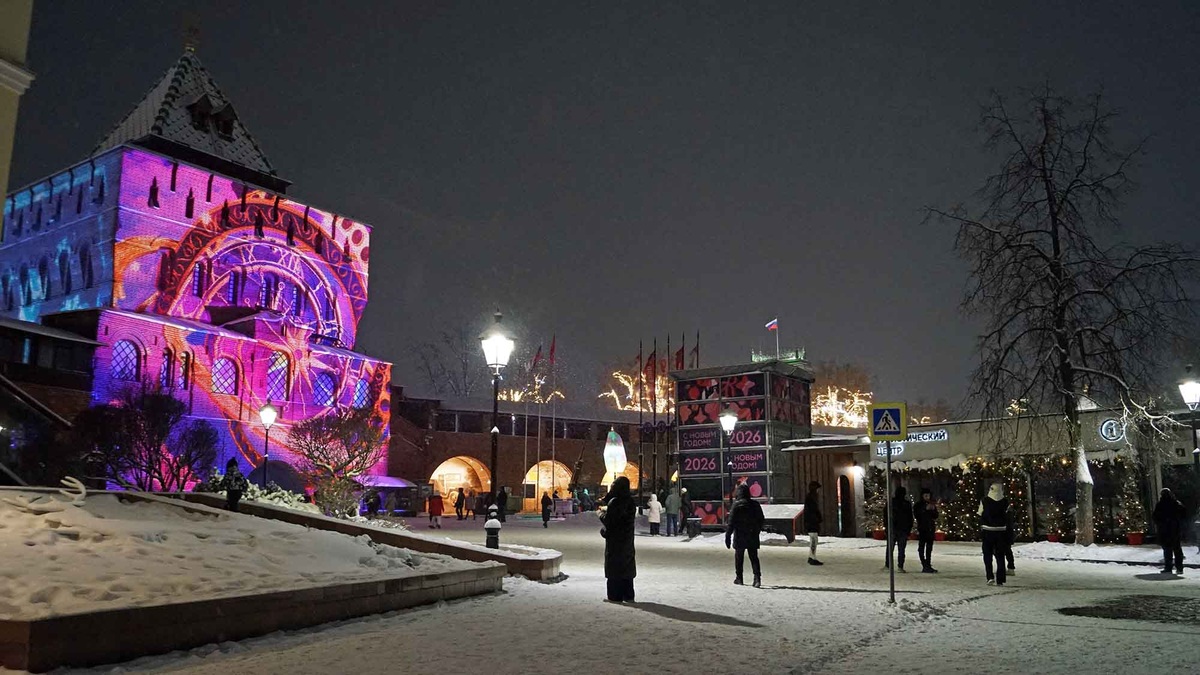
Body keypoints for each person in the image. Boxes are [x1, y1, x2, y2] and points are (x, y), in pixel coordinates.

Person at [600, 476, 637, 602]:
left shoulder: (615, 502)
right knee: (626, 568)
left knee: (615, 569)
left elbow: (610, 522)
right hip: (627, 541)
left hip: (615, 543)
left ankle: (615, 596)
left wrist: (600, 514)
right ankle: (628, 595)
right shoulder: (630, 502)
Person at [726, 484, 765, 587]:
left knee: (739, 557)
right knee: (754, 557)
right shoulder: (755, 504)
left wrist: (728, 536)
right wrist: (757, 530)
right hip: (752, 534)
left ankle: (739, 578)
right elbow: (761, 519)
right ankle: (757, 578)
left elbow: (731, 522)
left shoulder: (736, 505)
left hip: (740, 534)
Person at [978, 482, 1009, 585]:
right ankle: (1000, 579)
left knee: (987, 555)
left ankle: (990, 576)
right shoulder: (1005, 501)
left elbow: (980, 513)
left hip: (988, 530)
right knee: (1000, 556)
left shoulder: (985, 501)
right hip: (1001, 531)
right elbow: (1008, 515)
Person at [1153, 488, 1187, 575]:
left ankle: (1168, 567)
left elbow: (1155, 517)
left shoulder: (1160, 504)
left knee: (1167, 550)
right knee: (1177, 549)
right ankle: (1179, 568)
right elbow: (1183, 514)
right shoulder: (1176, 503)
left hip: (1165, 530)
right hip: (1175, 529)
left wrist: (1161, 524)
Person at [886, 486, 914, 572]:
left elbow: (886, 515)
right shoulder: (906, 504)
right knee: (901, 549)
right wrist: (909, 529)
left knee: (891, 548)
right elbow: (910, 518)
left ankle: (888, 565)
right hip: (902, 529)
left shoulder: (891, 503)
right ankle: (900, 566)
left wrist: (887, 527)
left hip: (894, 528)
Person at [915, 487, 939, 573]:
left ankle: (928, 564)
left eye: (928, 496)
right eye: (925, 496)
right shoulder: (918, 505)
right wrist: (925, 510)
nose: (927, 497)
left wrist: (932, 510)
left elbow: (936, 516)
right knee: (921, 548)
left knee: (929, 548)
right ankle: (924, 564)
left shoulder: (931, 504)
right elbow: (917, 515)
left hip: (930, 529)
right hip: (922, 529)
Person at [804, 481, 824, 566]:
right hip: (812, 522)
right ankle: (812, 557)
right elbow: (813, 511)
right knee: (814, 540)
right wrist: (818, 518)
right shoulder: (811, 498)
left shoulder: (810, 497)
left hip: (810, 522)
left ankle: (812, 557)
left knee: (814, 540)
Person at [1004, 503, 1017, 575]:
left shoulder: (1008, 513)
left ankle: (1010, 567)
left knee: (1006, 550)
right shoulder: (1010, 513)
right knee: (1007, 550)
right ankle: (1011, 567)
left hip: (1006, 533)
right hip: (1008, 533)